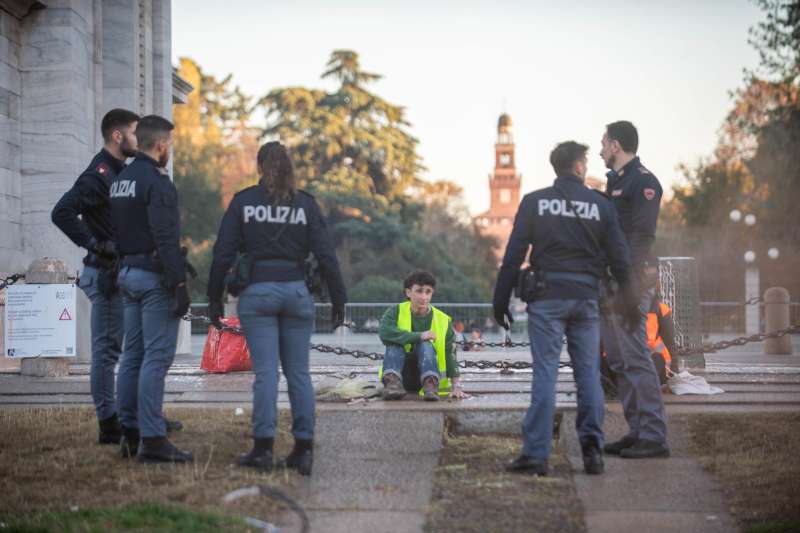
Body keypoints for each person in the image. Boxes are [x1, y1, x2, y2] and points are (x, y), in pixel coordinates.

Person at [493, 141, 638, 476]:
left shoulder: (534, 202)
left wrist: (500, 299)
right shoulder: (600, 205)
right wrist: (630, 302)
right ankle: (592, 451)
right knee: (587, 374)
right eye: (585, 162)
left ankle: (536, 454)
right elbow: (620, 258)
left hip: (546, 298)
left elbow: (514, 255)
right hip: (587, 299)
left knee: (545, 373)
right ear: (577, 167)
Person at [206, 141, 347, 476]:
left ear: (259, 167)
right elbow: (327, 256)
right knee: (299, 373)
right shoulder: (305, 204)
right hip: (297, 292)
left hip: (258, 292)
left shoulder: (244, 202)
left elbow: (223, 253)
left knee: (266, 373)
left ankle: (263, 448)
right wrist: (340, 299)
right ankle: (303, 449)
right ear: (290, 168)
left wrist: (213, 297)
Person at [51, 108, 139, 444]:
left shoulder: (121, 172)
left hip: (120, 273)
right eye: (134, 132)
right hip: (104, 274)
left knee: (126, 349)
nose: (138, 139)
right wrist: (94, 243)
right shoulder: (98, 174)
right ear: (118, 136)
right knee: (106, 353)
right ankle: (109, 424)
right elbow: (61, 212)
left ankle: (134, 416)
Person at [110, 115, 192, 464]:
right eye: (169, 145)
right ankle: (154, 439)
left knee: (133, 356)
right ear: (160, 145)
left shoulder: (121, 179)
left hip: (127, 272)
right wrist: (178, 282)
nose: (169, 151)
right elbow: (165, 236)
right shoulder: (157, 182)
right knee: (156, 360)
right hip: (153, 277)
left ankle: (129, 432)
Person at [599, 121, 670, 459]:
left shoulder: (643, 181)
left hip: (629, 282)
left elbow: (642, 237)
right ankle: (637, 430)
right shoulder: (615, 182)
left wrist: (627, 284)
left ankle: (654, 436)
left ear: (615, 145)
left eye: (603, 142)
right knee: (617, 358)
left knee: (636, 356)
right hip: (609, 281)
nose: (599, 149)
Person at [378, 270, 468, 401]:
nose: (424, 297)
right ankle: (392, 384)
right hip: (401, 376)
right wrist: (419, 335)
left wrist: (456, 386)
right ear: (408, 292)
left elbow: (450, 354)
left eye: (428, 292)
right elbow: (385, 333)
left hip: (429, 378)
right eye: (419, 291)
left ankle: (430, 385)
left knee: (426, 345)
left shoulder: (443, 320)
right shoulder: (395, 312)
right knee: (395, 344)